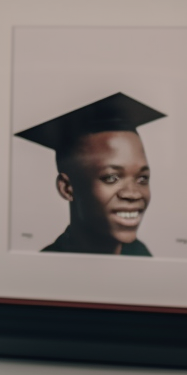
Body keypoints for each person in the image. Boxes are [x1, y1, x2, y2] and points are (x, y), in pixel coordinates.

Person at [15, 93, 165, 257]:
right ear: (67, 188)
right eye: (111, 177)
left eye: (142, 178)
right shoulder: (46, 269)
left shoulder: (140, 254)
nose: (133, 193)